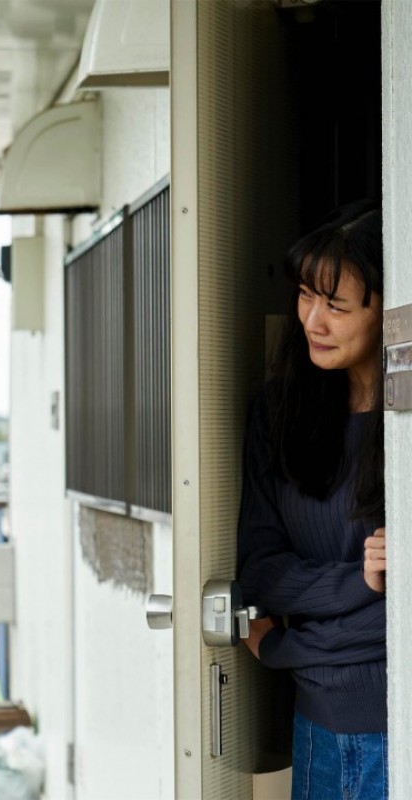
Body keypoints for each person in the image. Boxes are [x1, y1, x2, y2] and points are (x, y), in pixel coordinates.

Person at [237, 200, 386, 799]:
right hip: (316, 727)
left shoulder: (401, 428)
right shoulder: (279, 413)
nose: (312, 321)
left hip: (398, 727)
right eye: (306, 295)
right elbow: (262, 573)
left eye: (337, 305)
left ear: (390, 310)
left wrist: (283, 646)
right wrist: (362, 584)